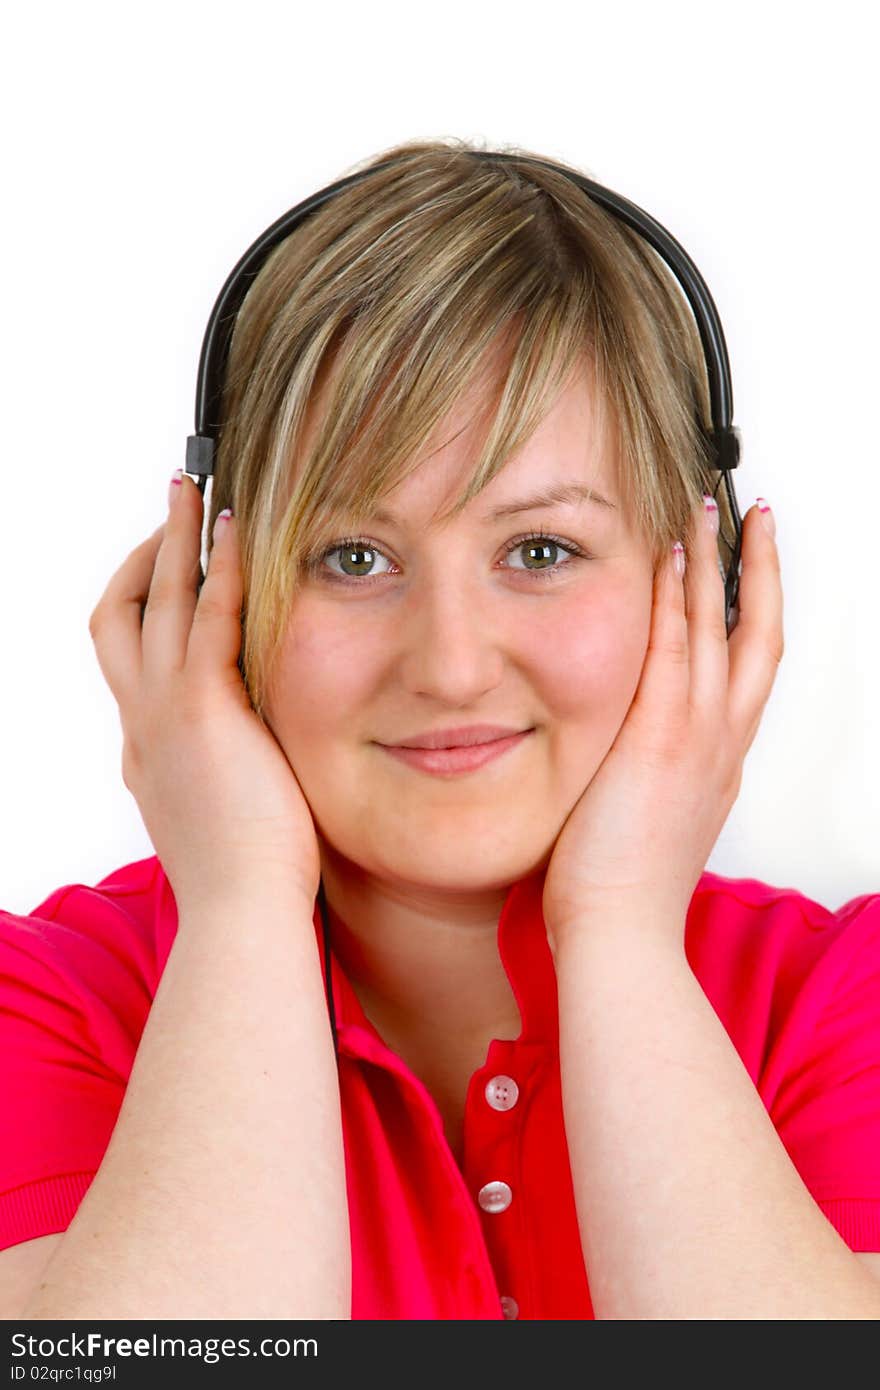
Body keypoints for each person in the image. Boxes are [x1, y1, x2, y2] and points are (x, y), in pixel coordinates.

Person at [1, 138, 879, 1322]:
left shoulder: (842, 999)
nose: (452, 663)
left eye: (541, 550)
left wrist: (617, 929)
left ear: (703, 587)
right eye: (351, 557)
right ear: (213, 589)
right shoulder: (46, 1000)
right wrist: (241, 903)